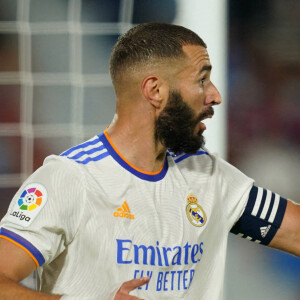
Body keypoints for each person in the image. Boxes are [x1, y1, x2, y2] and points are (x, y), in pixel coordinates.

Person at [0, 22, 299, 300]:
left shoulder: (207, 174)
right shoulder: (69, 179)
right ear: (155, 90)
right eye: (202, 80)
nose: (216, 96)